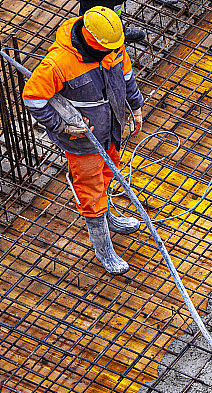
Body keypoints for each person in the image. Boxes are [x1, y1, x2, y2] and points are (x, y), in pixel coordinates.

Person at [23, 6, 145, 275]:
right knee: (90, 192)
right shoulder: (58, 63)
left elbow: (127, 77)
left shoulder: (113, 46)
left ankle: (110, 218)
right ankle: (104, 251)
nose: (116, 51)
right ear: (92, 39)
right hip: (84, 143)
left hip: (112, 129)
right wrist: (61, 126)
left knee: (108, 175)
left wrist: (135, 107)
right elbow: (33, 98)